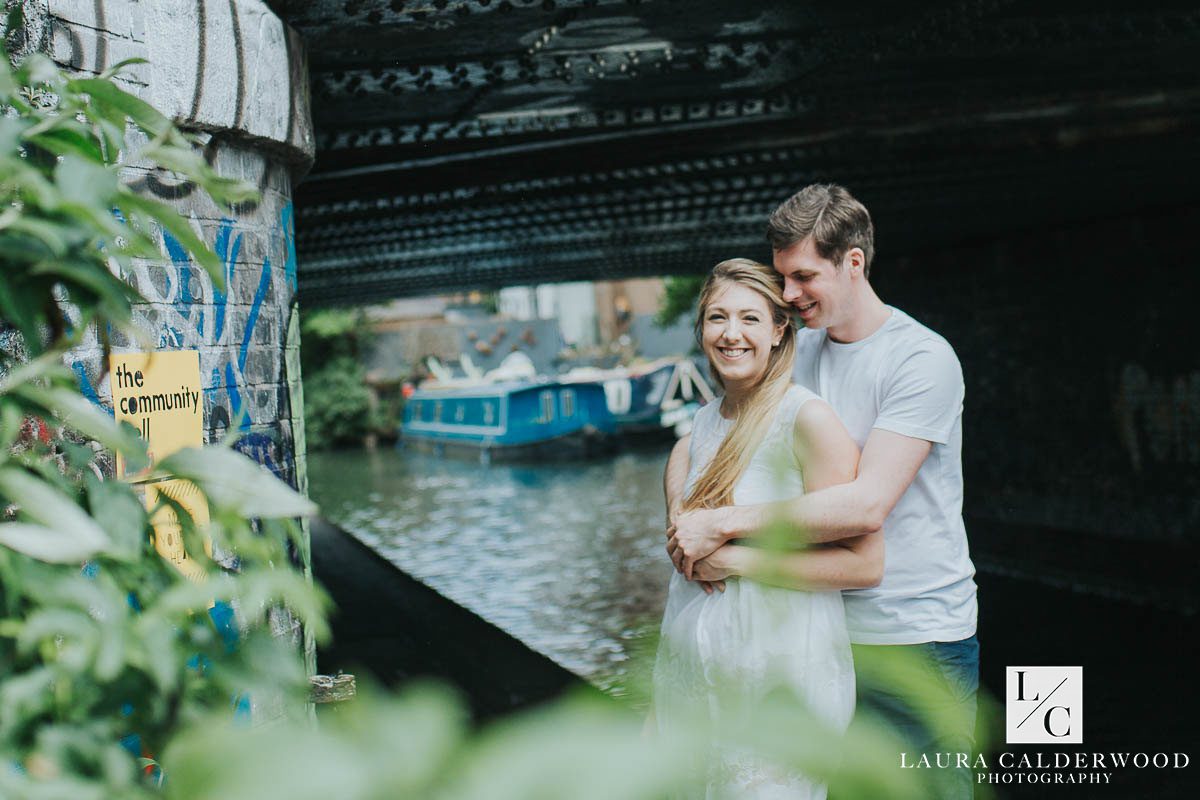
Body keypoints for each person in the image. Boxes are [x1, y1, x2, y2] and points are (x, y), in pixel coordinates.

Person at [666, 185, 979, 799]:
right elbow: (706, 435)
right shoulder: (795, 346)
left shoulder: (921, 359)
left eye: (803, 276)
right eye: (782, 278)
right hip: (819, 633)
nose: (788, 294)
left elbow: (865, 505)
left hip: (914, 632)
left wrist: (723, 530)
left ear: (853, 262)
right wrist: (682, 513)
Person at [651, 258, 883, 799]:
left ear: (781, 329)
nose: (732, 334)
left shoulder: (807, 421)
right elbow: (682, 585)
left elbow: (864, 565)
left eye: (750, 319)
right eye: (717, 317)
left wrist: (733, 560)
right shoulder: (699, 430)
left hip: (780, 687)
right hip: (697, 690)